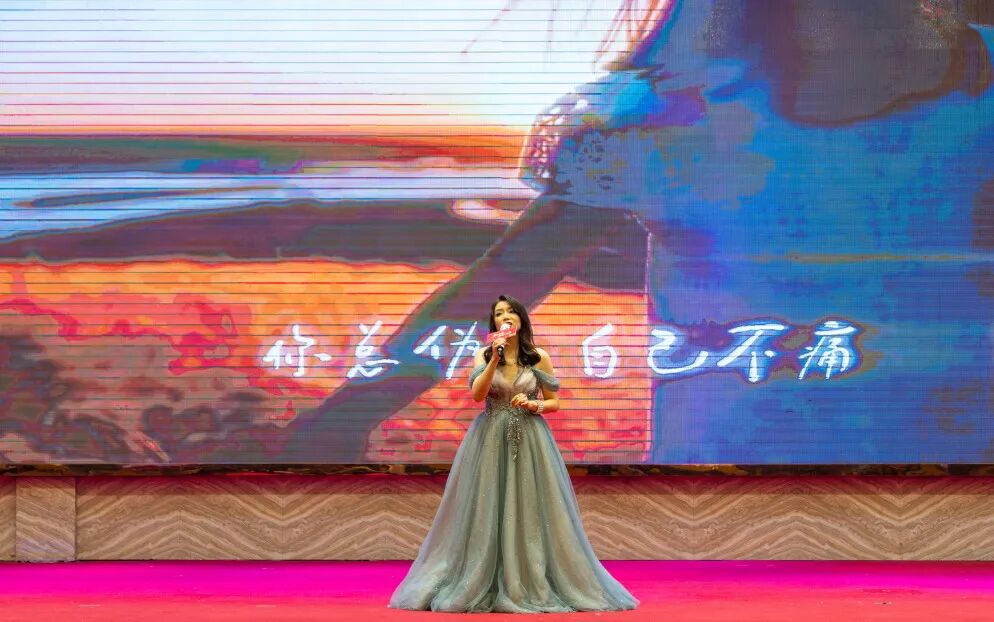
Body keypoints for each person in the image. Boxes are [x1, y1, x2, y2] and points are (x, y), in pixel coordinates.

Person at [388, 295, 638, 613]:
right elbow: (477, 394)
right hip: (490, 437)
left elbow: (554, 402)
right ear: (494, 323)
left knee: (530, 504)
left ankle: (530, 577)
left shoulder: (538, 358)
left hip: (531, 438)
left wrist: (535, 404)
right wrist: (494, 359)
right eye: (498, 313)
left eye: (510, 312)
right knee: (488, 503)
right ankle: (482, 578)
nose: (505, 316)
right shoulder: (483, 355)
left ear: (521, 319)